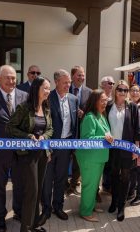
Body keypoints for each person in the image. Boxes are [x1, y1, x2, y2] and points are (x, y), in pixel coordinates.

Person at [0, 65, 28, 231]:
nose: (11, 81)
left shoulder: (25, 96)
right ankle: (0, 217)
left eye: (14, 78)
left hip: (21, 152)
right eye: (7, 77)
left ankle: (18, 211)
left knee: (20, 185)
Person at [6, 77, 53, 232]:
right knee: (31, 192)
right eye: (45, 88)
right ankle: (25, 228)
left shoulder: (46, 108)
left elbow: (50, 129)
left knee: (38, 191)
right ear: (36, 89)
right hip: (27, 156)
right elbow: (10, 127)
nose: (47, 91)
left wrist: (44, 138)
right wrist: (28, 136)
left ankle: (34, 225)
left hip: (42, 155)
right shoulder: (24, 108)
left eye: (48, 88)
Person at [39, 70, 78, 225]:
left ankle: (58, 206)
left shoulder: (74, 99)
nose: (68, 85)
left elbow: (75, 125)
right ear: (56, 82)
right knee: (47, 180)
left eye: (69, 82)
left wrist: (73, 146)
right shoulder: (47, 98)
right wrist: (45, 148)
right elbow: (42, 124)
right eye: (65, 82)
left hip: (66, 146)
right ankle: (46, 209)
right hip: (49, 147)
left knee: (61, 179)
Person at [76, 89, 114, 222]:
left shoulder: (101, 115)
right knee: (89, 185)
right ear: (94, 101)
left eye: (106, 100)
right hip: (90, 158)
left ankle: (90, 206)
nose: (105, 103)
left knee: (94, 185)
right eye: (102, 100)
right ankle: (85, 212)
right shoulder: (90, 117)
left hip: (98, 157)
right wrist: (104, 137)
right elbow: (87, 139)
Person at [106, 80, 140, 221]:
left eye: (126, 90)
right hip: (112, 148)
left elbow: (137, 129)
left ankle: (121, 206)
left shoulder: (132, 107)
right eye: (120, 89)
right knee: (113, 175)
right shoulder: (108, 106)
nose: (123, 92)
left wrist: (136, 149)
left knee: (125, 177)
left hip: (127, 148)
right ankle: (114, 201)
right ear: (115, 90)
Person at [67, 65, 92, 195]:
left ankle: (75, 183)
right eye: (79, 75)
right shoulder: (66, 89)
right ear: (72, 76)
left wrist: (85, 114)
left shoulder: (89, 92)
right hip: (66, 131)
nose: (81, 77)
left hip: (82, 131)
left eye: (83, 75)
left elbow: (93, 111)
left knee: (77, 158)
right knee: (65, 157)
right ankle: (64, 183)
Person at [99, 75, 115, 194]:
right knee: (99, 164)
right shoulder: (97, 97)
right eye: (110, 83)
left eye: (113, 84)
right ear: (102, 84)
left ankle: (107, 186)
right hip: (100, 135)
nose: (112, 85)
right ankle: (95, 190)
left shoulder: (115, 100)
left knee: (110, 163)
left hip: (112, 136)